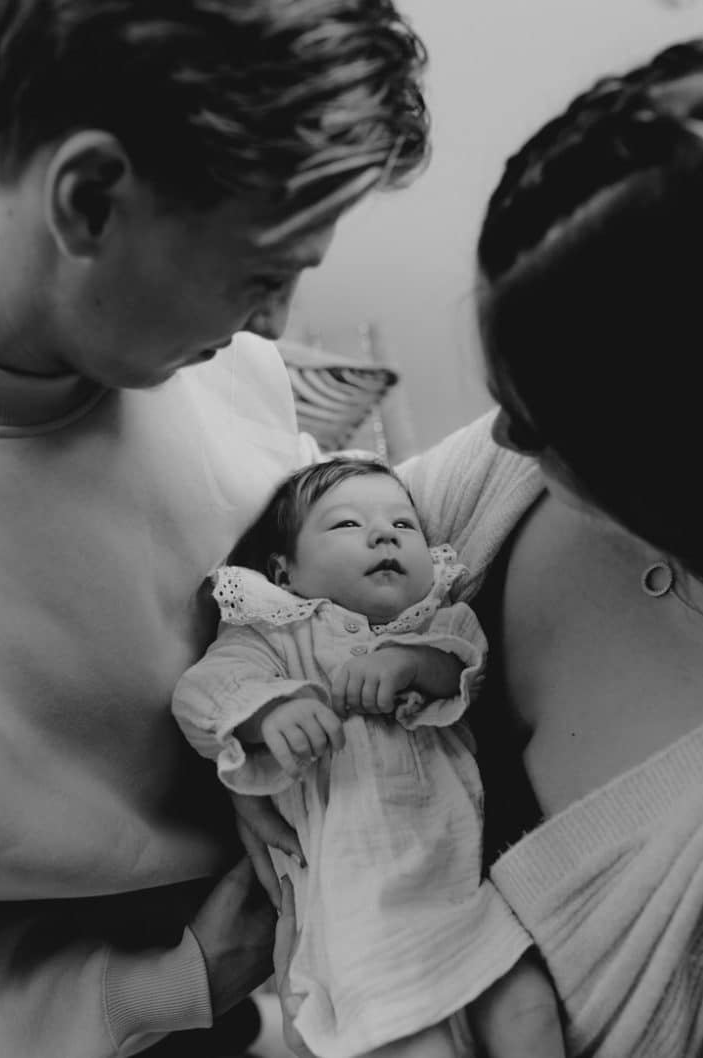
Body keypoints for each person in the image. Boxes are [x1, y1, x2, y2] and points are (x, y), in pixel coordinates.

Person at [241, 36, 703, 1058]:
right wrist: (256, 744)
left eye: (541, 412)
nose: (499, 436)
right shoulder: (506, 482)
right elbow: (305, 569)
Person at [0, 2, 430, 1056]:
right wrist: (150, 993)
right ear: (91, 198)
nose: (278, 323)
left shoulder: (228, 369)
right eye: (261, 268)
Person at [172, 457, 565, 1058]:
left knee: (530, 1010)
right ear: (286, 571)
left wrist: (410, 662)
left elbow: (467, 668)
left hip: (460, 890)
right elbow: (201, 695)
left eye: (404, 526)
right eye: (347, 524)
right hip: (356, 915)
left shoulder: (439, 622)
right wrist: (268, 713)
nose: (383, 535)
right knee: (418, 1044)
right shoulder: (273, 635)